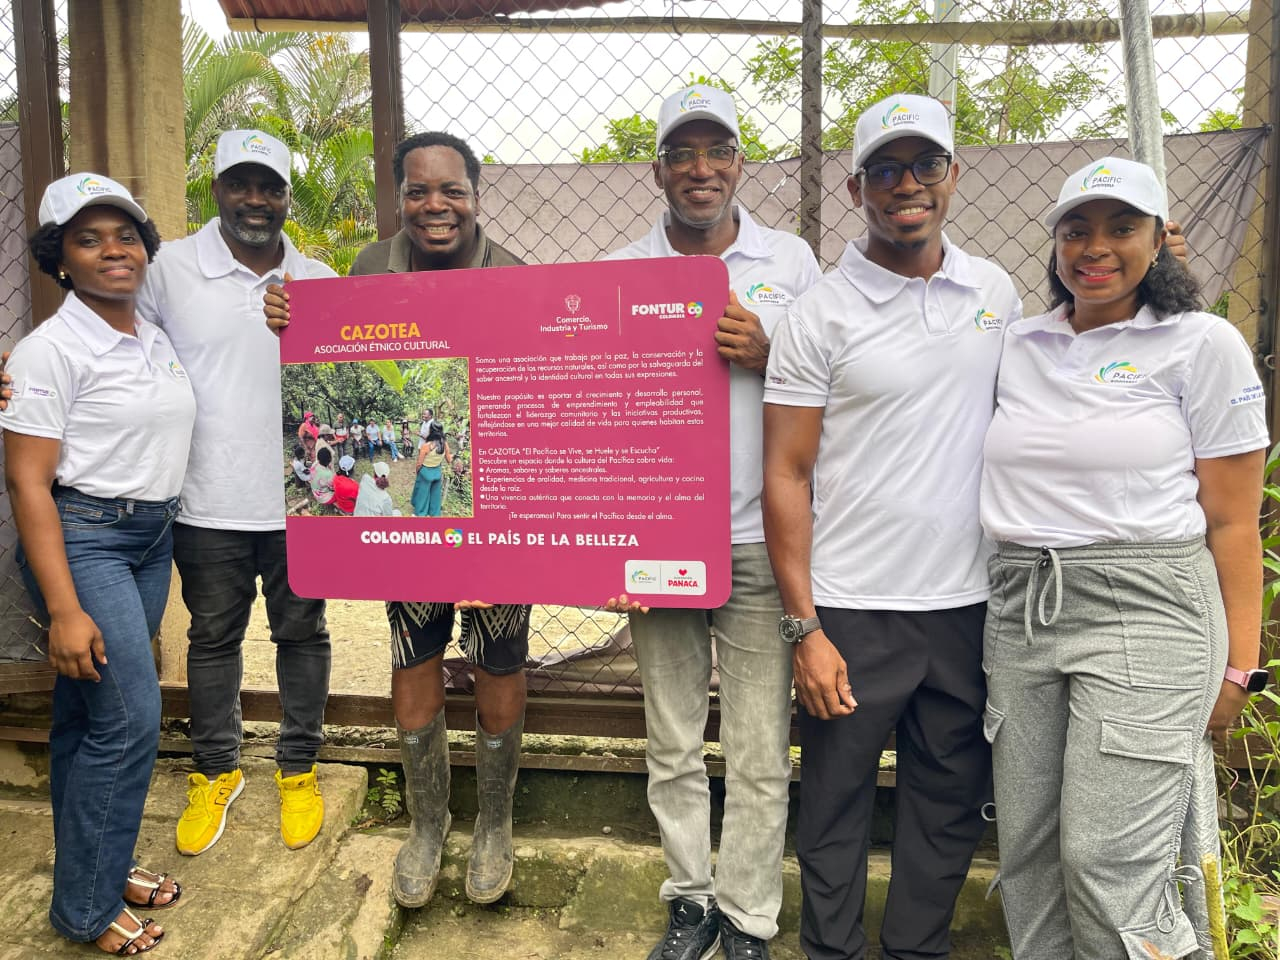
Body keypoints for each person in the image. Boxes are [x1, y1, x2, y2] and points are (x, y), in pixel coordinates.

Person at [980, 157, 1267, 959]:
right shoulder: (1019, 345)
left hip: (1147, 608)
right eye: (1077, 230)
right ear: (1055, 245)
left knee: (1108, 861)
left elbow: (1235, 525)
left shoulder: (1202, 345)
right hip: (1023, 608)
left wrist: (1242, 666)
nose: (1094, 248)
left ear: (1158, 242)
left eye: (1121, 228)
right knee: (1031, 854)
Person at [761, 94, 1020, 960]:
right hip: (852, 610)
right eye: (884, 170)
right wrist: (806, 628)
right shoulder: (821, 313)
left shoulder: (996, 292)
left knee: (945, 811)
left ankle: (916, 950)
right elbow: (786, 472)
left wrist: (1157, 281)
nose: (906, 186)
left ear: (953, 176)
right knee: (832, 811)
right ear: (856, 187)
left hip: (967, 604)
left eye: (925, 166)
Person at [265, 130, 531, 911]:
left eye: (451, 190)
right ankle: (427, 823)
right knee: (412, 659)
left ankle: (495, 823)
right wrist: (290, 320)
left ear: (476, 194)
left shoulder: (516, 276)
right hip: (409, 543)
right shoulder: (368, 269)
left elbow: (529, 407)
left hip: (496, 528)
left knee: (498, 665)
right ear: (399, 198)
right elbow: (327, 352)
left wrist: (498, 542)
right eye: (418, 191)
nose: (434, 205)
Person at [605, 85, 822, 960]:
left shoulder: (795, 263)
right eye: (683, 153)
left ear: (740, 162)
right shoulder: (623, 267)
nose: (701, 168)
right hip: (660, 538)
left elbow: (829, 383)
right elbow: (594, 402)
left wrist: (775, 352)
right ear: (658, 169)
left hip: (762, 538)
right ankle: (689, 898)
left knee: (761, 747)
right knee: (672, 738)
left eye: (717, 150)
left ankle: (748, 916)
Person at [3, 174, 193, 955]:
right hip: (86, 539)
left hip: (149, 539)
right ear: (60, 260)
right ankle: (83, 909)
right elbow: (26, 481)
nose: (113, 249)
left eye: (125, 235)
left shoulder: (148, 331)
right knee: (128, 720)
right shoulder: (51, 350)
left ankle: (101, 867)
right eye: (89, 238)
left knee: (85, 718)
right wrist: (66, 607)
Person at [134, 129, 338, 857]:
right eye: (240, 184)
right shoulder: (170, 270)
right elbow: (122, 347)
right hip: (205, 499)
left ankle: (298, 766)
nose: (256, 199)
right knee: (212, 639)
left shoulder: (318, 279)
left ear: (287, 196)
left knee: (302, 635)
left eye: (271, 186)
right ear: (215, 189)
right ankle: (216, 770)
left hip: (300, 503)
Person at [412, 422, 453, 517]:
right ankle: (434, 513)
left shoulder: (426, 446)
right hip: (437, 472)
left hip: (426, 472)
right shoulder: (445, 444)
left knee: (423, 494)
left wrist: (418, 472)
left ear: (431, 431)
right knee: (435, 494)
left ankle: (421, 512)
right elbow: (449, 460)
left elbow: (419, 463)